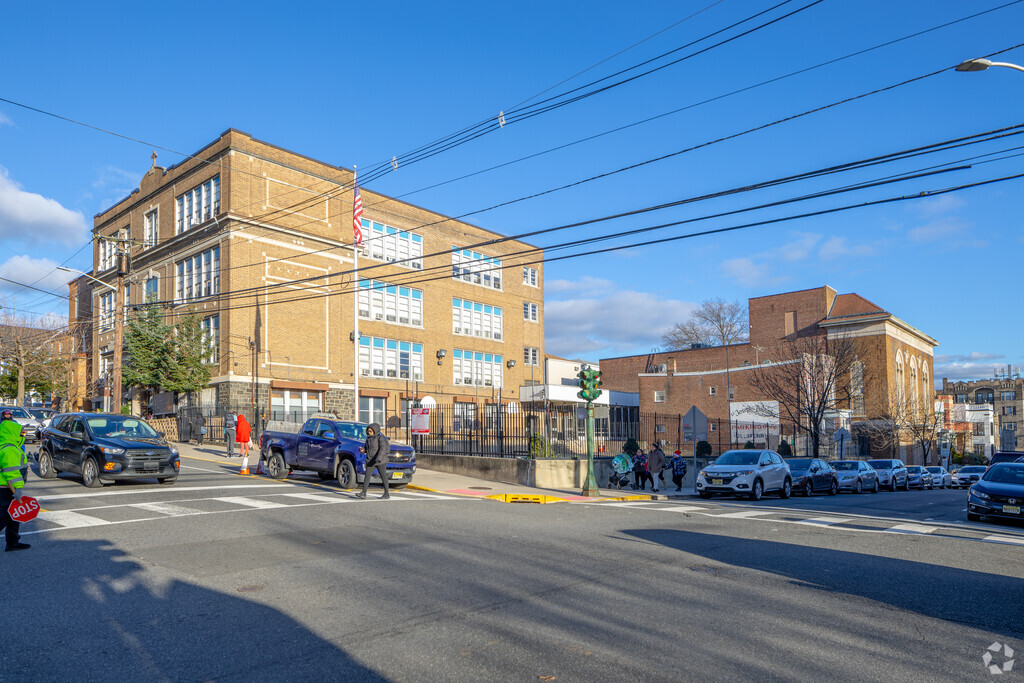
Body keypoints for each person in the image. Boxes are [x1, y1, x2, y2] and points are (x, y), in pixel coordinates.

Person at [0, 418, 29, 551]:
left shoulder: (5, 445)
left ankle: (13, 542)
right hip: (7, 488)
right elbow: (12, 471)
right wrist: (18, 489)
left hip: (5, 487)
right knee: (5, 516)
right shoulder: (10, 449)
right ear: (12, 432)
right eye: (20, 431)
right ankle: (12, 542)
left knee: (13, 515)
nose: (22, 434)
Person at [355, 422, 390, 500]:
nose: (369, 432)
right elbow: (367, 449)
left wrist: (379, 458)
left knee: (383, 476)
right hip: (371, 460)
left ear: (375, 431)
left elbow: (383, 449)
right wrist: (363, 450)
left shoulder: (381, 438)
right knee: (367, 476)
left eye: (370, 431)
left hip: (380, 461)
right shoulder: (368, 439)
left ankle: (386, 494)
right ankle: (363, 493)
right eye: (368, 431)